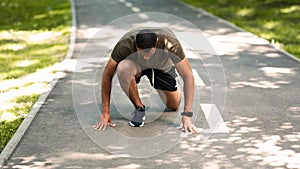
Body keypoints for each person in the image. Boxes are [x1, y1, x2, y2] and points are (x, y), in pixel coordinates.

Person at [93, 28, 199, 133]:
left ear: (156, 42)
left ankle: (168, 84)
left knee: (173, 105)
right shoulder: (125, 44)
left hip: (162, 68)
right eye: (142, 53)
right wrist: (105, 112)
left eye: (149, 53)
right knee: (123, 67)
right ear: (136, 46)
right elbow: (107, 76)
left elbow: (188, 77)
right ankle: (139, 108)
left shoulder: (169, 43)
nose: (146, 57)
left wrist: (187, 114)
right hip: (137, 67)